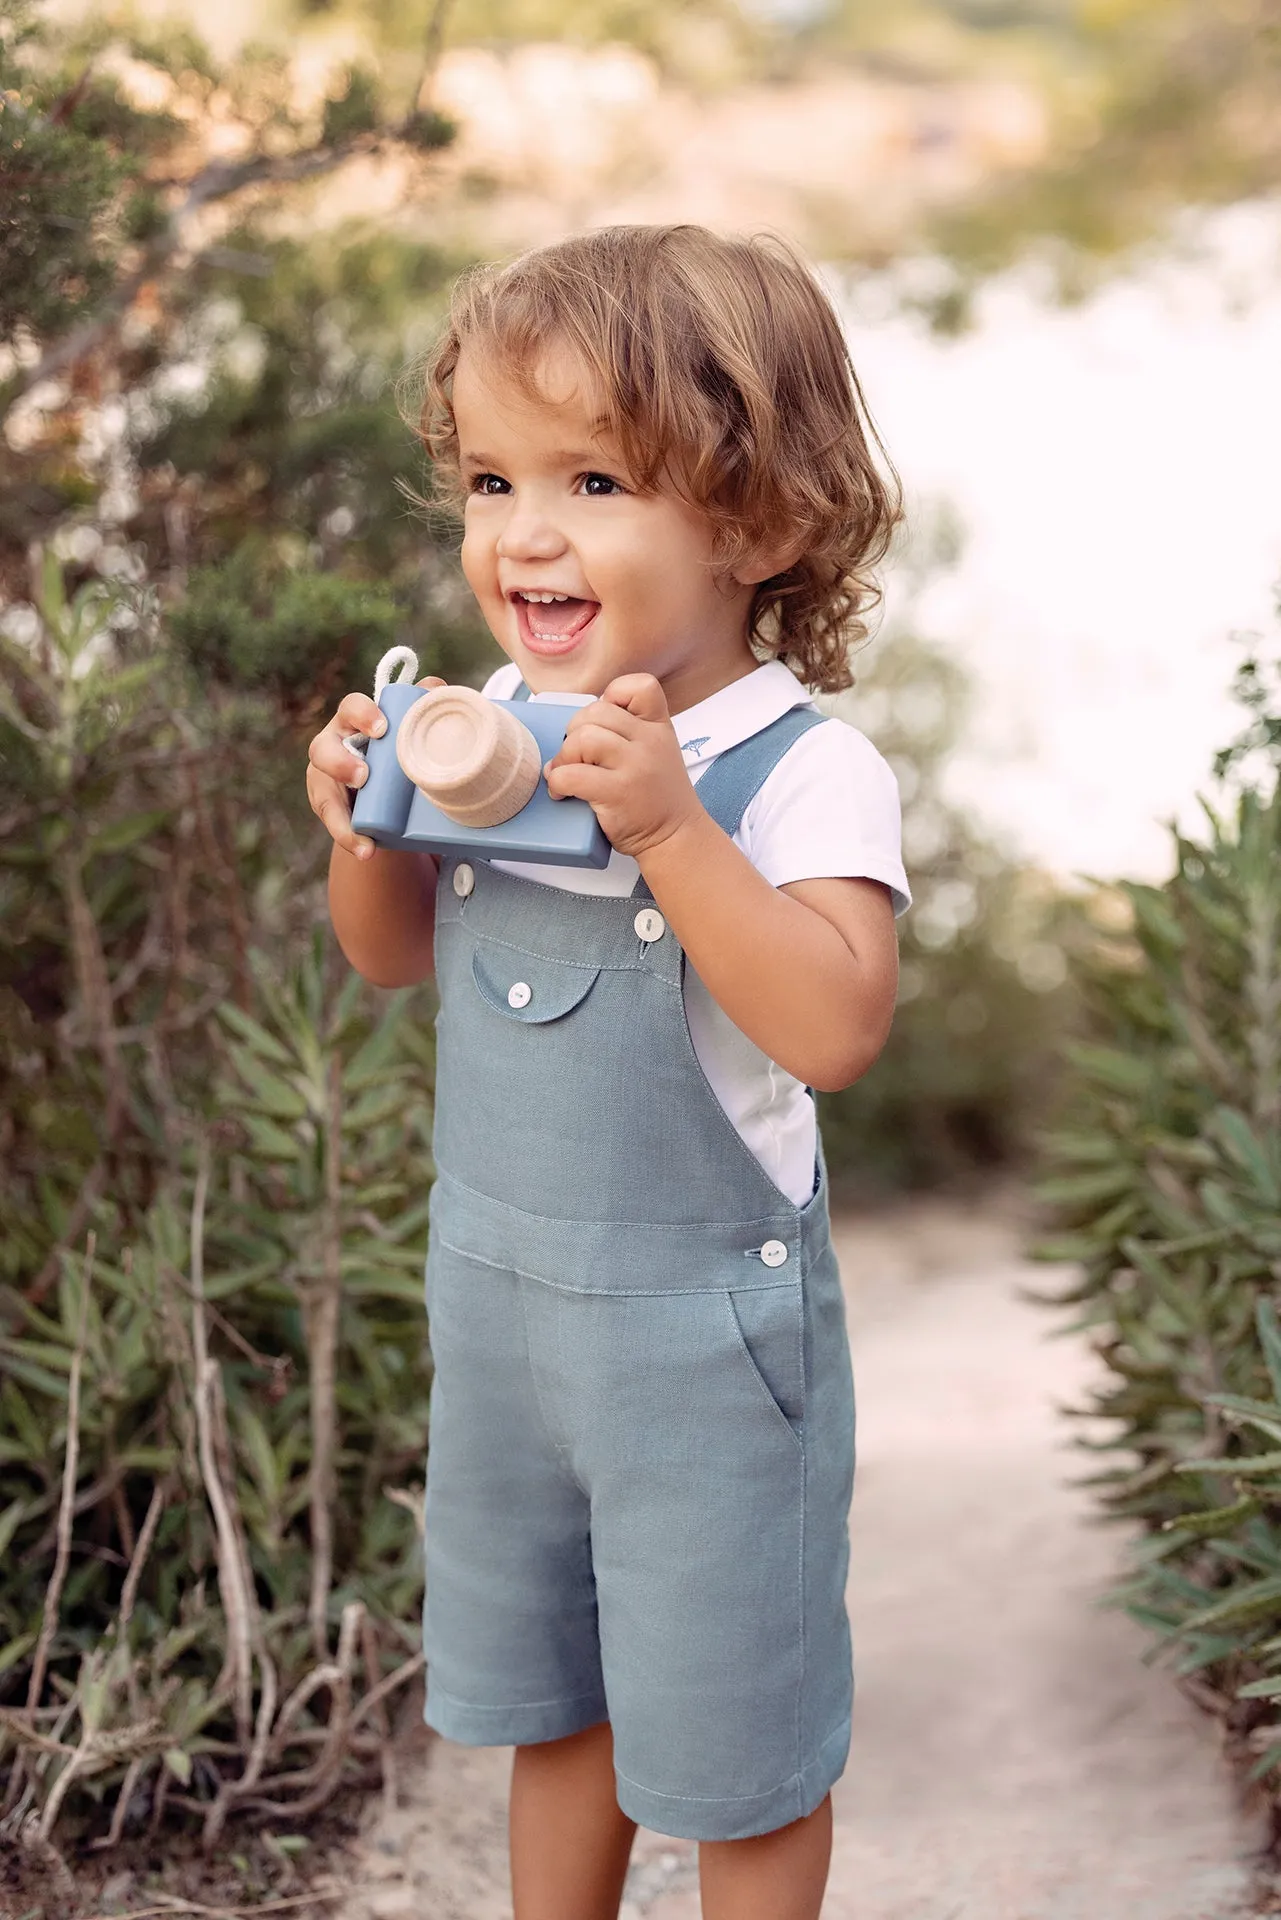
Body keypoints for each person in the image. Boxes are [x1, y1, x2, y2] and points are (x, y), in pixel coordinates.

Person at [306, 224, 910, 1920]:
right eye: (492, 481)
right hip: (501, 1322)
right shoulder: (495, 715)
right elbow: (394, 953)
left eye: (593, 477)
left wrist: (668, 829)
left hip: (705, 1351)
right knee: (551, 1705)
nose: (527, 534)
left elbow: (834, 1027)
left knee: (737, 1748)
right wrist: (366, 826)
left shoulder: (801, 768)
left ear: (761, 523)